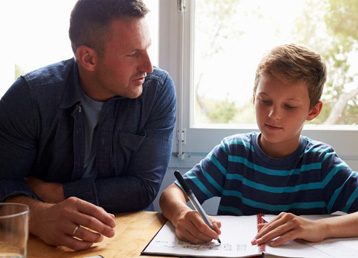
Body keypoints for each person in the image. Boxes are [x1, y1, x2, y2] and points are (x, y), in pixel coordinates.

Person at [0, 0, 176, 251]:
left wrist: (58, 192)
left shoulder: (157, 91)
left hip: (131, 239)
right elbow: (4, 182)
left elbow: (143, 188)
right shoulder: (29, 98)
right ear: (88, 58)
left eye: (147, 49)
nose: (148, 66)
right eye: (133, 53)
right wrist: (39, 217)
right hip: (42, 246)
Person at [159, 43, 358, 247]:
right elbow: (170, 194)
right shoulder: (232, 153)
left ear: (313, 111)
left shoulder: (321, 164)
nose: (273, 115)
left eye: (289, 106)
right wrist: (181, 214)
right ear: (254, 96)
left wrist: (321, 228)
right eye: (265, 101)